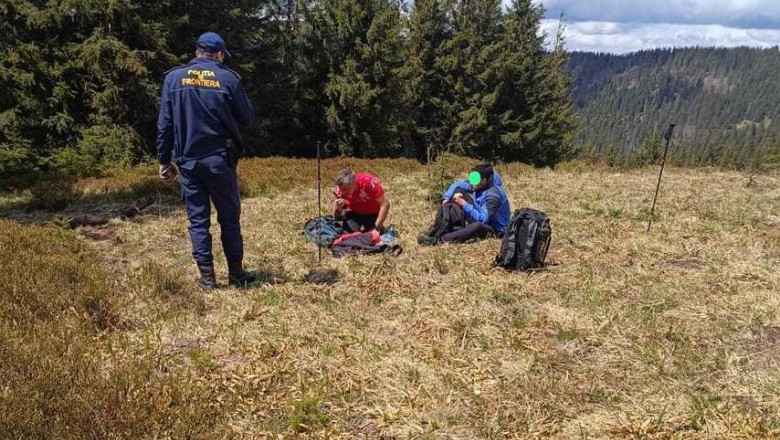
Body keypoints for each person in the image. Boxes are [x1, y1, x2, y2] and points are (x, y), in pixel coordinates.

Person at [156, 31, 256, 289]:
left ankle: (208, 279)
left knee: (198, 221)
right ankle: (236, 275)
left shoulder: (173, 79)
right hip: (220, 160)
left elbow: (164, 125)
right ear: (220, 54)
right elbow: (247, 118)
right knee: (229, 218)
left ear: (197, 52)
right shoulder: (228, 78)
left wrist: (164, 161)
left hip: (188, 163)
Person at [438, 163, 510, 243]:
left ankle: (443, 239)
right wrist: (446, 197)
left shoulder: (494, 194)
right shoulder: (478, 183)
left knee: (477, 226)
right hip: (480, 214)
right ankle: (445, 228)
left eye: (474, 182)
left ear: (484, 181)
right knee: (459, 191)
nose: (471, 184)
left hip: (494, 229)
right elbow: (458, 183)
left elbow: (483, 220)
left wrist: (464, 204)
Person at [333, 169, 390, 233]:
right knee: (350, 237)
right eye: (341, 189)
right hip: (353, 213)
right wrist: (338, 208)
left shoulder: (369, 182)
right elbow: (337, 218)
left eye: (345, 189)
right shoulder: (340, 189)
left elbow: (385, 204)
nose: (342, 192)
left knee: (374, 237)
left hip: (372, 212)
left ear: (354, 183)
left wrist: (376, 227)